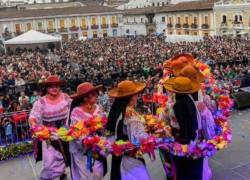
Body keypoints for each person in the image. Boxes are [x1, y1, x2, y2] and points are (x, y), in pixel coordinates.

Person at [28, 75, 72, 180]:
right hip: (49, 136)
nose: (54, 88)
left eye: (56, 86)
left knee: (67, 158)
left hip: (66, 134)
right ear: (47, 88)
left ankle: (63, 175)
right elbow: (32, 118)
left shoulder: (66, 98)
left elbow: (73, 112)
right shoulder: (41, 102)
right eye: (51, 86)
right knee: (50, 163)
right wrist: (35, 127)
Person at [107, 80, 150, 180]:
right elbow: (136, 139)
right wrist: (150, 137)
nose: (137, 97)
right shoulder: (129, 114)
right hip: (130, 156)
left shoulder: (118, 109)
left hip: (121, 154)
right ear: (130, 97)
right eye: (135, 94)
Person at [163, 76, 203, 180]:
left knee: (181, 168)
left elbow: (171, 121)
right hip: (192, 138)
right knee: (192, 168)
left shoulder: (175, 105)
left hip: (179, 140)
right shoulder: (190, 101)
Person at [69, 82, 107, 180]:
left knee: (98, 173)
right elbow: (76, 132)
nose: (96, 95)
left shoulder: (99, 108)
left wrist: (102, 132)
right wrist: (87, 141)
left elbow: (103, 125)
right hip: (82, 149)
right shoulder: (76, 111)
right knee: (86, 175)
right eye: (93, 93)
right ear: (85, 97)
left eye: (95, 92)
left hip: (98, 145)